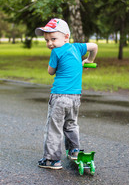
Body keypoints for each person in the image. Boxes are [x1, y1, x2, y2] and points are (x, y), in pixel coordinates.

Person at [35, 18, 98, 170]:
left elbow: (50, 72)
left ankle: (52, 160)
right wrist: (88, 60)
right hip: (75, 97)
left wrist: (54, 64)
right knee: (71, 124)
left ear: (66, 37)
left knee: (54, 127)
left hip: (59, 97)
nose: (50, 43)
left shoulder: (56, 52)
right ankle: (74, 150)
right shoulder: (77, 48)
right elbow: (94, 46)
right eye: (47, 40)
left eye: (53, 39)